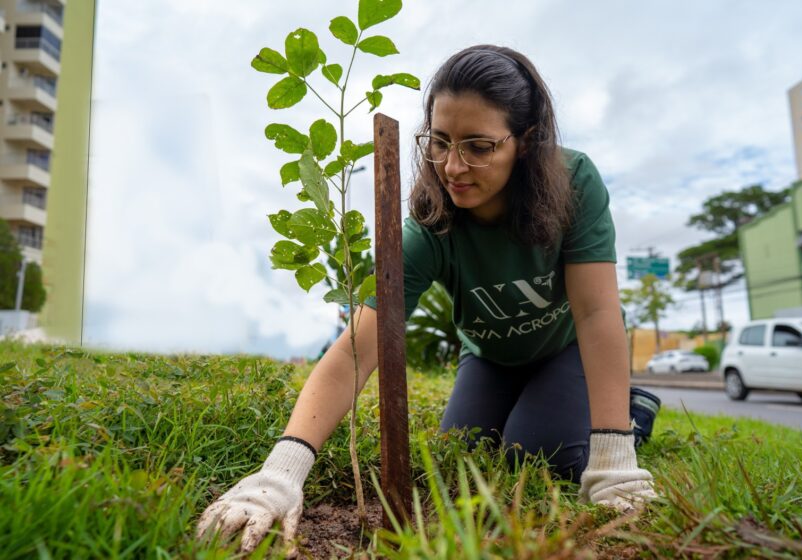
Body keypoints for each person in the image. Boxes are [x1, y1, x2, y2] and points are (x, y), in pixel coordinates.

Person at [196, 45, 662, 552]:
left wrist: (613, 458)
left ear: (525, 142)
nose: (452, 167)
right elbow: (357, 349)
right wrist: (280, 474)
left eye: (479, 147)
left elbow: (596, 313)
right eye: (439, 142)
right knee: (463, 456)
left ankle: (631, 417)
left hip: (564, 350)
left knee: (540, 452)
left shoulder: (574, 183)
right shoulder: (430, 228)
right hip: (489, 357)